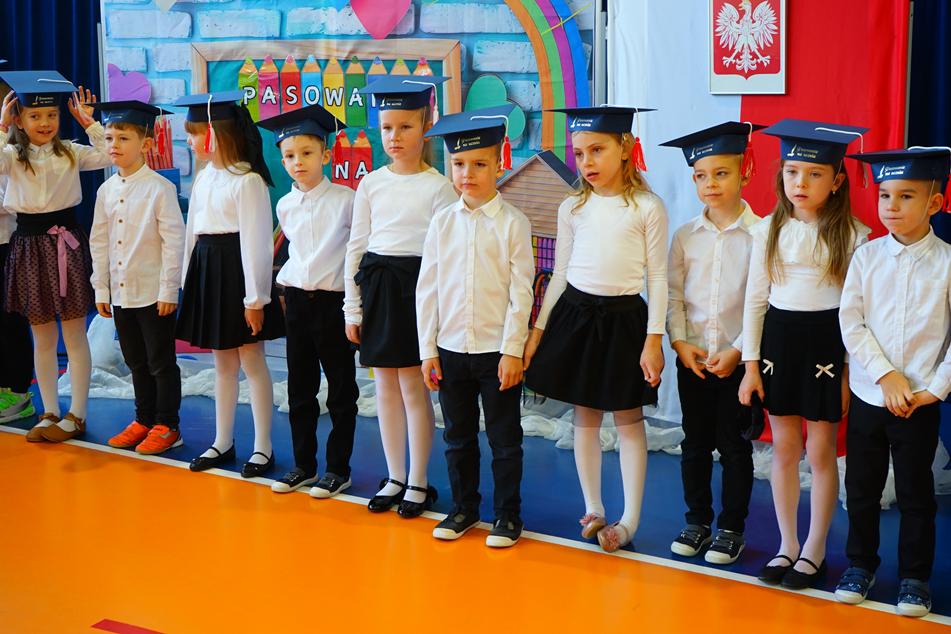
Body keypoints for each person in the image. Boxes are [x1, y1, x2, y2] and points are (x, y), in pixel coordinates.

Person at [524, 106, 668, 553]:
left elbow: (658, 278)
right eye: (580, 153)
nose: (587, 162)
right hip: (577, 316)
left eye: (597, 150)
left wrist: (654, 340)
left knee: (628, 418)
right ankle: (593, 507)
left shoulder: (646, 207)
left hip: (625, 320)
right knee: (583, 414)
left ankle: (630, 520)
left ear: (625, 148)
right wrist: (538, 330)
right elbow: (560, 273)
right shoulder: (573, 206)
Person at [738, 119, 871, 589]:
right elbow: (755, 301)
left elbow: (856, 311)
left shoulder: (853, 235)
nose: (801, 183)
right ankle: (787, 544)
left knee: (820, 450)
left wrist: (847, 373)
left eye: (815, 174)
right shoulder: (767, 230)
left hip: (826, 345)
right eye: (793, 172)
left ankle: (814, 549)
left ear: (836, 181)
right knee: (784, 447)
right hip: (779, 343)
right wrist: (750, 366)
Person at [835, 147, 951, 618]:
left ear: (935, 203)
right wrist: (884, 374)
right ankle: (859, 565)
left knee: (915, 492)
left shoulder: (947, 263)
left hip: (920, 401)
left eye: (906, 196)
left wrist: (933, 389)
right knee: (861, 488)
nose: (892, 206)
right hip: (870, 394)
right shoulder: (866, 258)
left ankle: (914, 578)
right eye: (885, 195)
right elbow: (851, 321)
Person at [418, 106, 534, 546]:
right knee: (457, 437)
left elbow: (521, 293)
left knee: (505, 440)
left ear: (499, 164)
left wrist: (512, 350)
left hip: (495, 353)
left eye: (479, 164)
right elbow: (427, 288)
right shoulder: (442, 223)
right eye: (460, 164)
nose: (468, 174)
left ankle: (507, 515)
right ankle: (463, 508)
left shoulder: (513, 224)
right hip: (450, 350)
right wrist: (428, 349)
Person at [345, 76, 457, 517]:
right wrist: (352, 307)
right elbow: (357, 247)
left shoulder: (439, 187)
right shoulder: (371, 184)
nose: (394, 136)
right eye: (387, 127)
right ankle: (394, 476)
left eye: (405, 126)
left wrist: (437, 317)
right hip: (378, 290)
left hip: (416, 292)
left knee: (413, 386)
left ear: (426, 127)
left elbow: (442, 258)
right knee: (385, 386)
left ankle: (418, 480)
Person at [661, 122, 763, 564]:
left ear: (746, 171)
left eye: (721, 173)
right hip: (695, 360)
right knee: (695, 443)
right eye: (701, 175)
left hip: (739, 362)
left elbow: (763, 302)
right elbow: (674, 296)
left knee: (735, 447)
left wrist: (739, 349)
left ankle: (731, 528)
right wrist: (680, 343)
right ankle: (697, 520)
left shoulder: (762, 235)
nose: (711, 184)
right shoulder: (685, 236)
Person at [174, 91, 283, 478]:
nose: (189, 141)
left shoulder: (248, 181)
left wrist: (256, 299)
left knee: (252, 360)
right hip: (209, 272)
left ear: (215, 134)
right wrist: (188, 282)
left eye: (194, 133)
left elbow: (256, 244)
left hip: (237, 275)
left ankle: (263, 447)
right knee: (222, 362)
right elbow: (193, 232)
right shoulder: (204, 178)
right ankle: (222, 440)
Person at [0, 70, 110, 442]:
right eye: (35, 116)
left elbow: (109, 154)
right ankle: (49, 411)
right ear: (20, 120)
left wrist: (89, 123)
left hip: (67, 244)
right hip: (29, 247)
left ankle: (77, 414)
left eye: (51, 115)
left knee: (74, 335)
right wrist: (2, 126)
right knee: (43, 336)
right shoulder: (11, 156)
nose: (45, 122)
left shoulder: (72, 152)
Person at [257, 104, 360, 498]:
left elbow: (356, 254)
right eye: (289, 156)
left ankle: (338, 469)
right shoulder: (284, 205)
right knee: (300, 389)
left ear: (326, 155)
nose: (297, 162)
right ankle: (303, 465)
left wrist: (355, 308)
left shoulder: (347, 200)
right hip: (297, 303)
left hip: (334, 304)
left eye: (306, 153)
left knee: (341, 390)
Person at [89, 100, 185, 455]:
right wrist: (102, 288)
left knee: (160, 362)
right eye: (109, 138)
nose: (114, 145)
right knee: (135, 360)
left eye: (123, 138)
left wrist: (169, 290)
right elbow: (99, 241)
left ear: (145, 144)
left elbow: (174, 241)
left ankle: (168, 425)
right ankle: (144, 419)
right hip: (121, 293)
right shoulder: (105, 190)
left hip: (153, 294)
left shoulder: (159, 188)